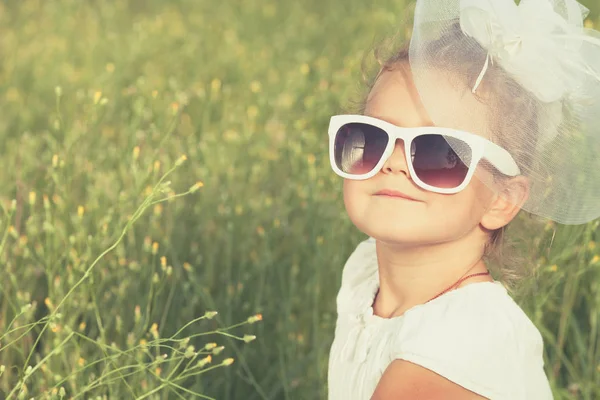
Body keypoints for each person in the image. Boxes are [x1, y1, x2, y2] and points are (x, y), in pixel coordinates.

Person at [326, 0, 600, 399]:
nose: (394, 164)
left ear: (501, 200)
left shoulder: (463, 343)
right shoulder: (365, 272)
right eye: (371, 139)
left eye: (441, 153)